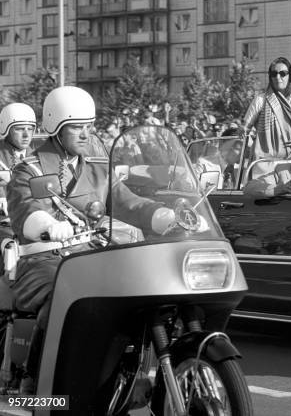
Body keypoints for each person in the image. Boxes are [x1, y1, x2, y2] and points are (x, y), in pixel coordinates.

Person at [7, 86, 177, 393]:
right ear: (56, 128)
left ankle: (124, 371)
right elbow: (25, 209)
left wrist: (160, 214)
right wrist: (46, 223)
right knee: (61, 296)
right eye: (76, 128)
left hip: (91, 255)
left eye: (89, 126)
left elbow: (128, 202)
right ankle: (35, 382)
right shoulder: (28, 170)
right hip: (44, 260)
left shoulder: (99, 170)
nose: (86, 134)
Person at [243, 57, 291, 159]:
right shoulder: (261, 100)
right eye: (274, 74)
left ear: (290, 76)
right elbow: (244, 130)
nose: (278, 77)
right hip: (264, 164)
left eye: (282, 73)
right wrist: (256, 147)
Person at [0, 103, 37, 216]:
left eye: (30, 129)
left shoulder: (39, 157)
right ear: (7, 129)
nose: (26, 135)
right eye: (19, 129)